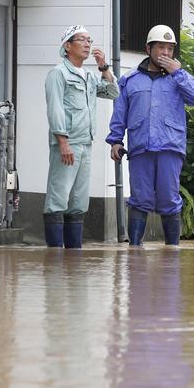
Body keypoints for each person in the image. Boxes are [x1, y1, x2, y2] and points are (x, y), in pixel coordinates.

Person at [106, 25, 194, 246]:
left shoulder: (178, 78)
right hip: (140, 147)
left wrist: (178, 73)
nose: (165, 53)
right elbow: (120, 113)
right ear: (148, 49)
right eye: (160, 47)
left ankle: (172, 252)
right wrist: (115, 140)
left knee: (169, 200)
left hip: (170, 147)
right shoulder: (130, 80)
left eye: (170, 49)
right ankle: (134, 251)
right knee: (139, 200)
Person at [44, 25, 119, 248]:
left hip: (86, 144)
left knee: (79, 201)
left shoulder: (88, 76)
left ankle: (73, 256)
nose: (88, 44)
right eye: (81, 40)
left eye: (90, 40)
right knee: (58, 199)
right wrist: (63, 141)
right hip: (67, 144)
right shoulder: (58, 73)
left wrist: (103, 66)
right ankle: (55, 256)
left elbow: (113, 92)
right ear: (67, 46)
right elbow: (55, 108)